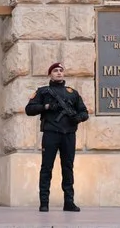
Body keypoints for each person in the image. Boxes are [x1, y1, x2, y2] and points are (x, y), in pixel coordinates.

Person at [24, 62, 89, 213]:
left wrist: (77, 118)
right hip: (51, 133)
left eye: (61, 70)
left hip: (68, 135)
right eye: (55, 71)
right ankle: (44, 203)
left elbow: (84, 112)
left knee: (68, 168)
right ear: (50, 74)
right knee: (46, 168)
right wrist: (46, 107)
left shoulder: (72, 93)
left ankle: (69, 202)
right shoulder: (43, 92)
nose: (59, 73)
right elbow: (29, 109)